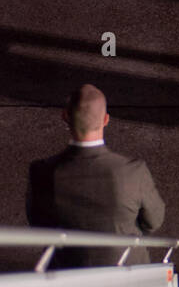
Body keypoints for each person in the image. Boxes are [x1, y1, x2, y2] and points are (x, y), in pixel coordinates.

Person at [27, 84, 166, 267]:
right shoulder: (133, 171)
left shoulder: (41, 171)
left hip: (67, 271)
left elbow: (38, 224)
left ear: (65, 116)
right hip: (126, 269)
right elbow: (153, 221)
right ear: (106, 119)